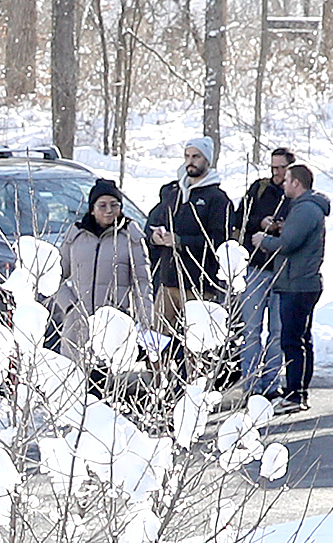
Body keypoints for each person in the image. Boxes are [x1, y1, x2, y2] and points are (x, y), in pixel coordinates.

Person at [258, 154, 330, 415]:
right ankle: (298, 391)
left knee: (292, 340)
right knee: (301, 339)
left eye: (287, 179)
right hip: (300, 283)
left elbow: (289, 244)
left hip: (298, 284)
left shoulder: (304, 208)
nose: (283, 184)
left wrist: (263, 240)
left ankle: (294, 394)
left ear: (297, 183)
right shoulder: (306, 209)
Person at [147, 137, 237, 343]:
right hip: (168, 282)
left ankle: (197, 376)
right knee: (156, 344)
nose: (190, 161)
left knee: (198, 346)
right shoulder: (174, 193)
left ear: (207, 160)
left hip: (199, 285)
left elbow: (219, 243)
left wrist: (180, 241)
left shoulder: (218, 199)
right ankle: (158, 376)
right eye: (187, 156)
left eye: (196, 156)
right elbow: (153, 223)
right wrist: (155, 237)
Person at [53, 178, 142, 371]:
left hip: (113, 326)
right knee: (73, 380)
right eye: (102, 205)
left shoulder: (130, 236)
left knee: (107, 386)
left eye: (114, 205)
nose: (109, 210)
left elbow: (142, 283)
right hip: (78, 323)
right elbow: (53, 276)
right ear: (92, 209)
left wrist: (145, 320)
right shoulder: (76, 235)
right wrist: (69, 306)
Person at [233, 148, 292, 397]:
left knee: (277, 332)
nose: (277, 173)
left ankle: (271, 383)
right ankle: (250, 384)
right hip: (256, 268)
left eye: (282, 168)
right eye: (273, 167)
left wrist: (281, 226)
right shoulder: (260, 189)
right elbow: (239, 218)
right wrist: (262, 223)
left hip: (283, 272)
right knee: (251, 330)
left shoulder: (296, 195)